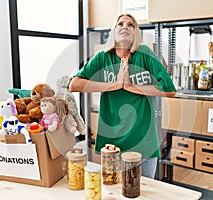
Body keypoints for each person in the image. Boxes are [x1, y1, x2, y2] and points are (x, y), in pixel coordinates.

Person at [69, 13, 176, 178]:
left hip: (144, 140)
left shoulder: (145, 54)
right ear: (114, 31)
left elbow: (169, 89)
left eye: (130, 25)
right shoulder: (102, 58)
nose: (125, 27)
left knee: (145, 192)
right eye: (120, 24)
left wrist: (132, 87)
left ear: (136, 33)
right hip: (113, 143)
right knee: (114, 189)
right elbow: (74, 85)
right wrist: (115, 85)